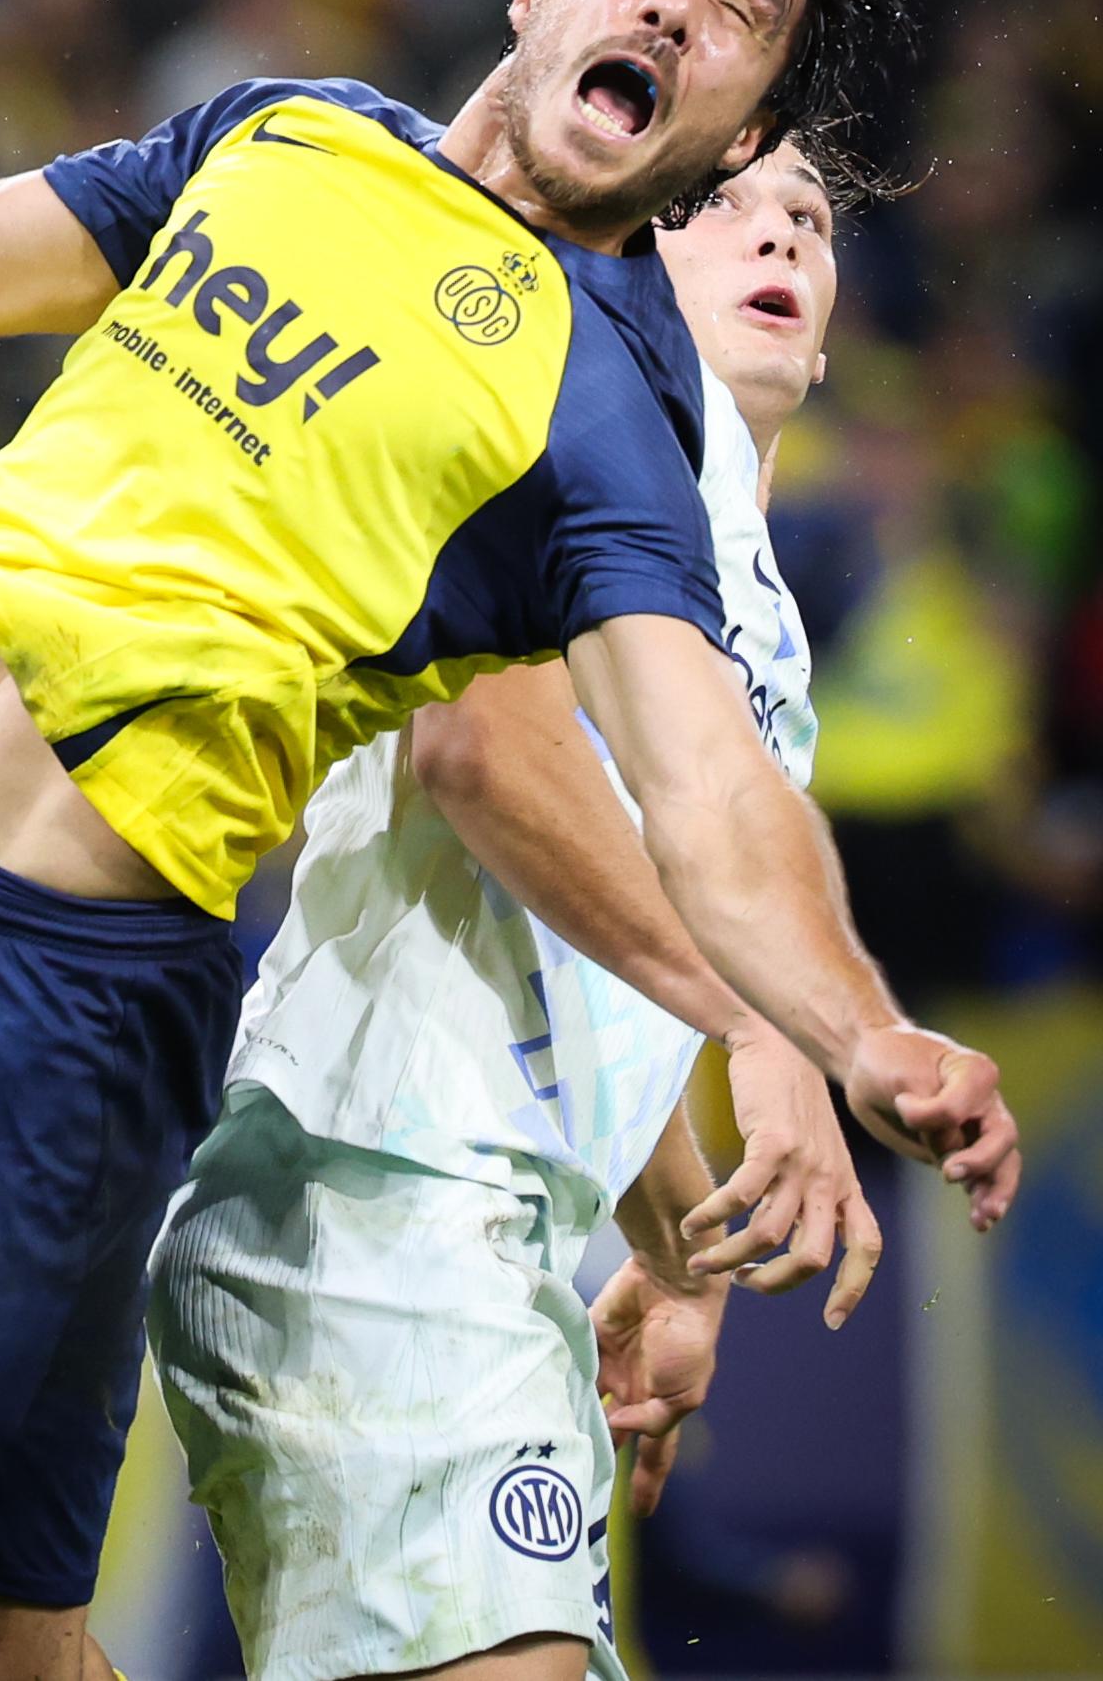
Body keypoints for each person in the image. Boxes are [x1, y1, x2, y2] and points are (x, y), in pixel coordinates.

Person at [0, 0, 1017, 1681]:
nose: (679, 4)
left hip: (55, 997)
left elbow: (702, 783)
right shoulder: (283, 131)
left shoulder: (594, 415)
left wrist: (853, 1023)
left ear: (727, 135)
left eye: (742, 12)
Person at [147, 135, 915, 1681]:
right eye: (718, 206)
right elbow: (485, 750)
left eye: (810, 219)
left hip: (472, 1242)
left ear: (827, 341)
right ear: (628, 266)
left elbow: (586, 962)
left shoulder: (756, 622)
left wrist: (677, 1249)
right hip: (377, 1203)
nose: (777, 232)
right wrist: (764, 1023)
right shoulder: (562, 450)